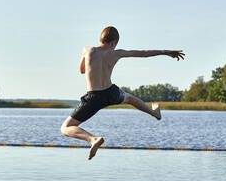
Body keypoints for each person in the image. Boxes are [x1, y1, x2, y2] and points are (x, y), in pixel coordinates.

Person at [61, 26, 185, 160]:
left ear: (100, 39)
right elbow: (143, 53)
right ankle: (154, 113)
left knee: (66, 128)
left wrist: (85, 57)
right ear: (114, 43)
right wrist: (166, 52)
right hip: (110, 92)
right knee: (130, 98)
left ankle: (93, 139)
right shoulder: (116, 53)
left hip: (93, 97)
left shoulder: (87, 50)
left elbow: (82, 70)